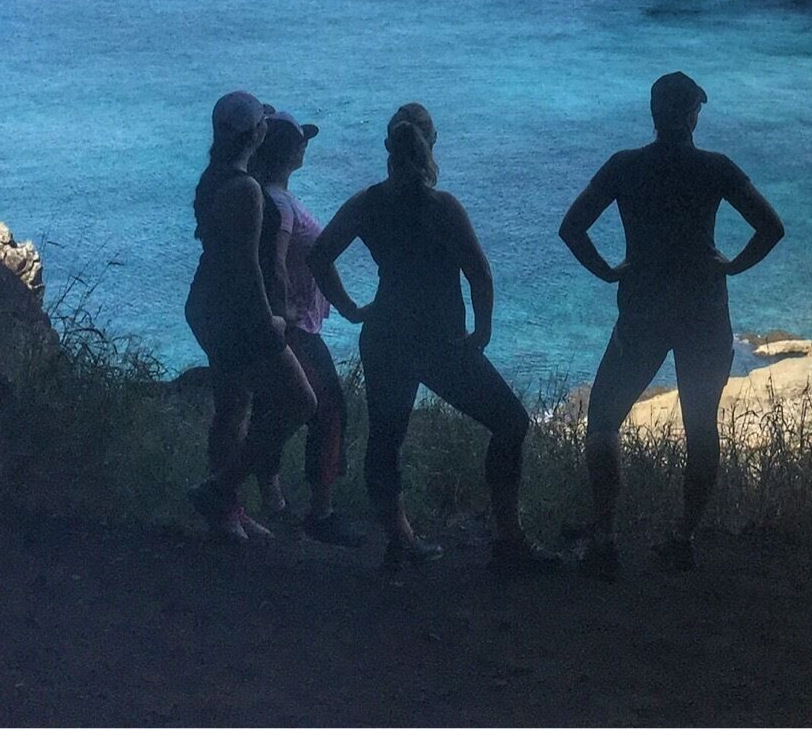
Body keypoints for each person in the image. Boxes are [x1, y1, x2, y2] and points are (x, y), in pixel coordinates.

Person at [311, 103, 557, 573]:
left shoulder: (367, 203)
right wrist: (482, 333)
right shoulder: (442, 207)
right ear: (432, 147)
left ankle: (399, 540)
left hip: (385, 336)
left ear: (388, 148)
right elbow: (479, 273)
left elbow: (320, 255)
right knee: (510, 423)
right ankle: (508, 538)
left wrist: (350, 309)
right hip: (440, 341)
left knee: (386, 438)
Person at [560, 71, 784, 579]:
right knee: (700, 426)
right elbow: (771, 227)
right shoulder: (716, 168)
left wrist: (607, 270)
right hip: (704, 309)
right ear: (690, 117)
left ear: (654, 114)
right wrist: (732, 265)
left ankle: (605, 536)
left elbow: (571, 228)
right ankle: (683, 537)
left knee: (602, 421)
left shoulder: (623, 167)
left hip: (642, 308)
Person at [183, 90, 316, 542]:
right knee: (300, 402)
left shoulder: (215, 177)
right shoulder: (246, 191)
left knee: (233, 407)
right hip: (237, 311)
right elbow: (249, 268)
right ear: (256, 134)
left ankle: (227, 512)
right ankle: (219, 490)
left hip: (208, 306)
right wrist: (272, 323)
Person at [246, 107, 357, 547]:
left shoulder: (271, 196)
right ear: (287, 150)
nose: (306, 144)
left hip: (288, 322)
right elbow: (273, 261)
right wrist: (284, 312)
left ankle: (271, 497)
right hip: (295, 326)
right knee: (329, 410)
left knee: (278, 408)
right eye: (300, 139)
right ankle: (321, 510)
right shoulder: (277, 204)